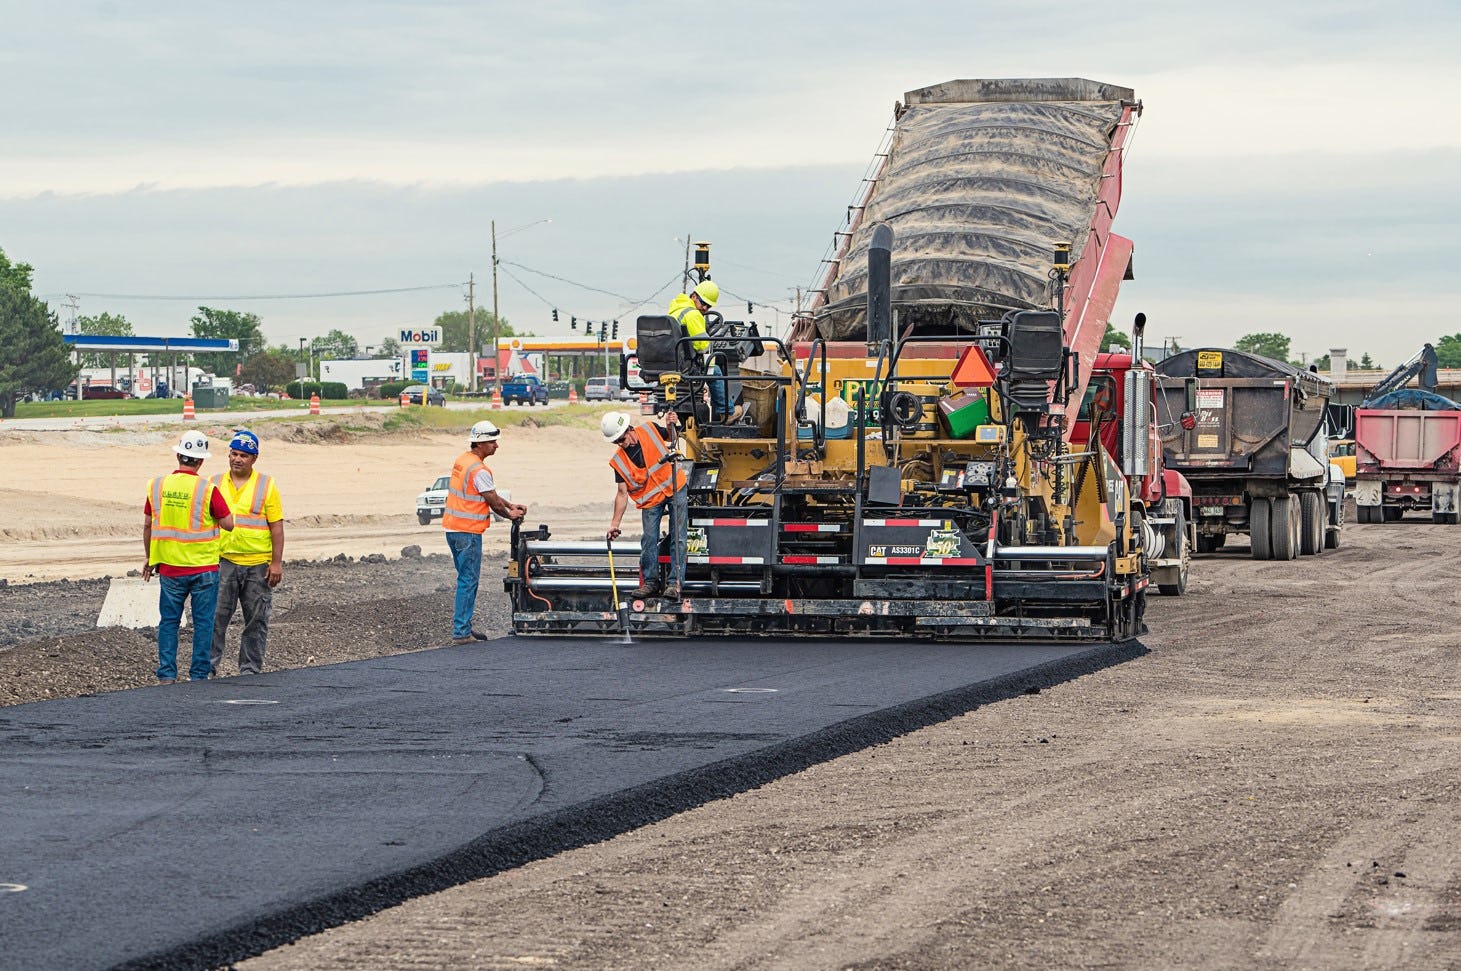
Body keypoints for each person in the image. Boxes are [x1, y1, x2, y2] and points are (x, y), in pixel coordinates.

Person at [142, 431, 235, 683]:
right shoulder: (208, 489)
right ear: (201, 461)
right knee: (204, 623)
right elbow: (229, 524)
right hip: (203, 567)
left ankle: (167, 675)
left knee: (169, 622)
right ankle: (198, 675)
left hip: (170, 568)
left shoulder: (157, 486)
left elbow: (149, 525)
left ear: (178, 455)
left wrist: (150, 558)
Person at [444, 420, 527, 644]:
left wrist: (511, 505)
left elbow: (488, 494)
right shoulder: (479, 470)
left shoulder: (464, 461)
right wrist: (509, 513)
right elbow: (492, 500)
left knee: (465, 579)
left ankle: (463, 628)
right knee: (468, 581)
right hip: (467, 532)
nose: (496, 446)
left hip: (453, 529)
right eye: (492, 442)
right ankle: (461, 632)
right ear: (480, 443)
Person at [209, 430, 284, 677]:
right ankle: (207, 668)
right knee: (215, 619)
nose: (237, 459)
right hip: (224, 562)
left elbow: (276, 526)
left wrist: (276, 563)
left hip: (257, 566)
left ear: (254, 458)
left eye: (243, 455)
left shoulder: (266, 485)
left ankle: (250, 669)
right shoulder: (215, 483)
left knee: (256, 621)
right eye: (233, 453)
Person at [603, 409, 688, 600]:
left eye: (621, 439)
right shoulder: (618, 461)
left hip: (675, 486)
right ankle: (651, 582)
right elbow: (622, 494)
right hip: (651, 500)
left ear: (629, 429)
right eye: (616, 442)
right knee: (649, 538)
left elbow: (672, 437)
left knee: (679, 536)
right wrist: (615, 524)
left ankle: (675, 584)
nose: (621, 444)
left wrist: (670, 424)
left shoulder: (649, 429)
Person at [667, 278, 729, 421]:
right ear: (694, 296)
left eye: (709, 306)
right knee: (716, 371)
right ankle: (726, 412)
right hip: (685, 367)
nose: (705, 308)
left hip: (672, 364)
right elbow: (703, 345)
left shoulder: (674, 311)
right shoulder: (693, 314)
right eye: (703, 303)